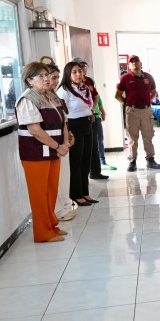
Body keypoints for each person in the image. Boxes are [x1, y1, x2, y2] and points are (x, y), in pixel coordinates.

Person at [16, 62, 72, 242]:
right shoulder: (27, 100)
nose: (46, 78)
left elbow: (63, 122)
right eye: (40, 76)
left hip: (53, 152)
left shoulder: (51, 96)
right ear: (29, 80)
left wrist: (65, 143)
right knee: (39, 194)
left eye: (47, 75)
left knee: (51, 191)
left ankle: (51, 225)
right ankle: (42, 233)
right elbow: (35, 130)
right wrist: (58, 146)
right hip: (35, 154)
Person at [57, 62, 98, 206]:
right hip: (74, 125)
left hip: (87, 124)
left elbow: (89, 105)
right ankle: (76, 194)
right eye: (74, 72)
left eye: (80, 71)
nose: (78, 74)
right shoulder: (64, 90)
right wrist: (68, 132)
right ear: (68, 74)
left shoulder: (84, 88)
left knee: (86, 160)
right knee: (76, 161)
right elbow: (62, 113)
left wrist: (91, 114)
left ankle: (85, 192)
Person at [115, 55, 160, 171]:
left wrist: (147, 100)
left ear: (141, 63)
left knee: (148, 136)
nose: (134, 64)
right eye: (132, 62)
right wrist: (127, 103)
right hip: (132, 111)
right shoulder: (125, 78)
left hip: (146, 111)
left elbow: (153, 91)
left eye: (136, 61)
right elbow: (117, 95)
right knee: (132, 138)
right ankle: (132, 161)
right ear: (129, 65)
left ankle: (150, 160)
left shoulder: (148, 77)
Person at [46, 64, 75, 222]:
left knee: (64, 177)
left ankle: (66, 204)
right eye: (53, 78)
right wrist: (59, 145)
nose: (56, 81)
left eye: (58, 77)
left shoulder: (55, 97)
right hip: (52, 145)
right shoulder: (41, 99)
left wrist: (68, 137)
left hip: (62, 144)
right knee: (55, 180)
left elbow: (63, 120)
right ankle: (58, 210)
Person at [74, 58, 109, 181]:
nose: (82, 70)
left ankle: (95, 171)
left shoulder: (89, 80)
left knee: (95, 143)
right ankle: (85, 173)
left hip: (93, 115)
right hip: (79, 120)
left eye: (84, 67)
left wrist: (96, 110)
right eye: (78, 68)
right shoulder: (70, 85)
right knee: (85, 147)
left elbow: (96, 97)